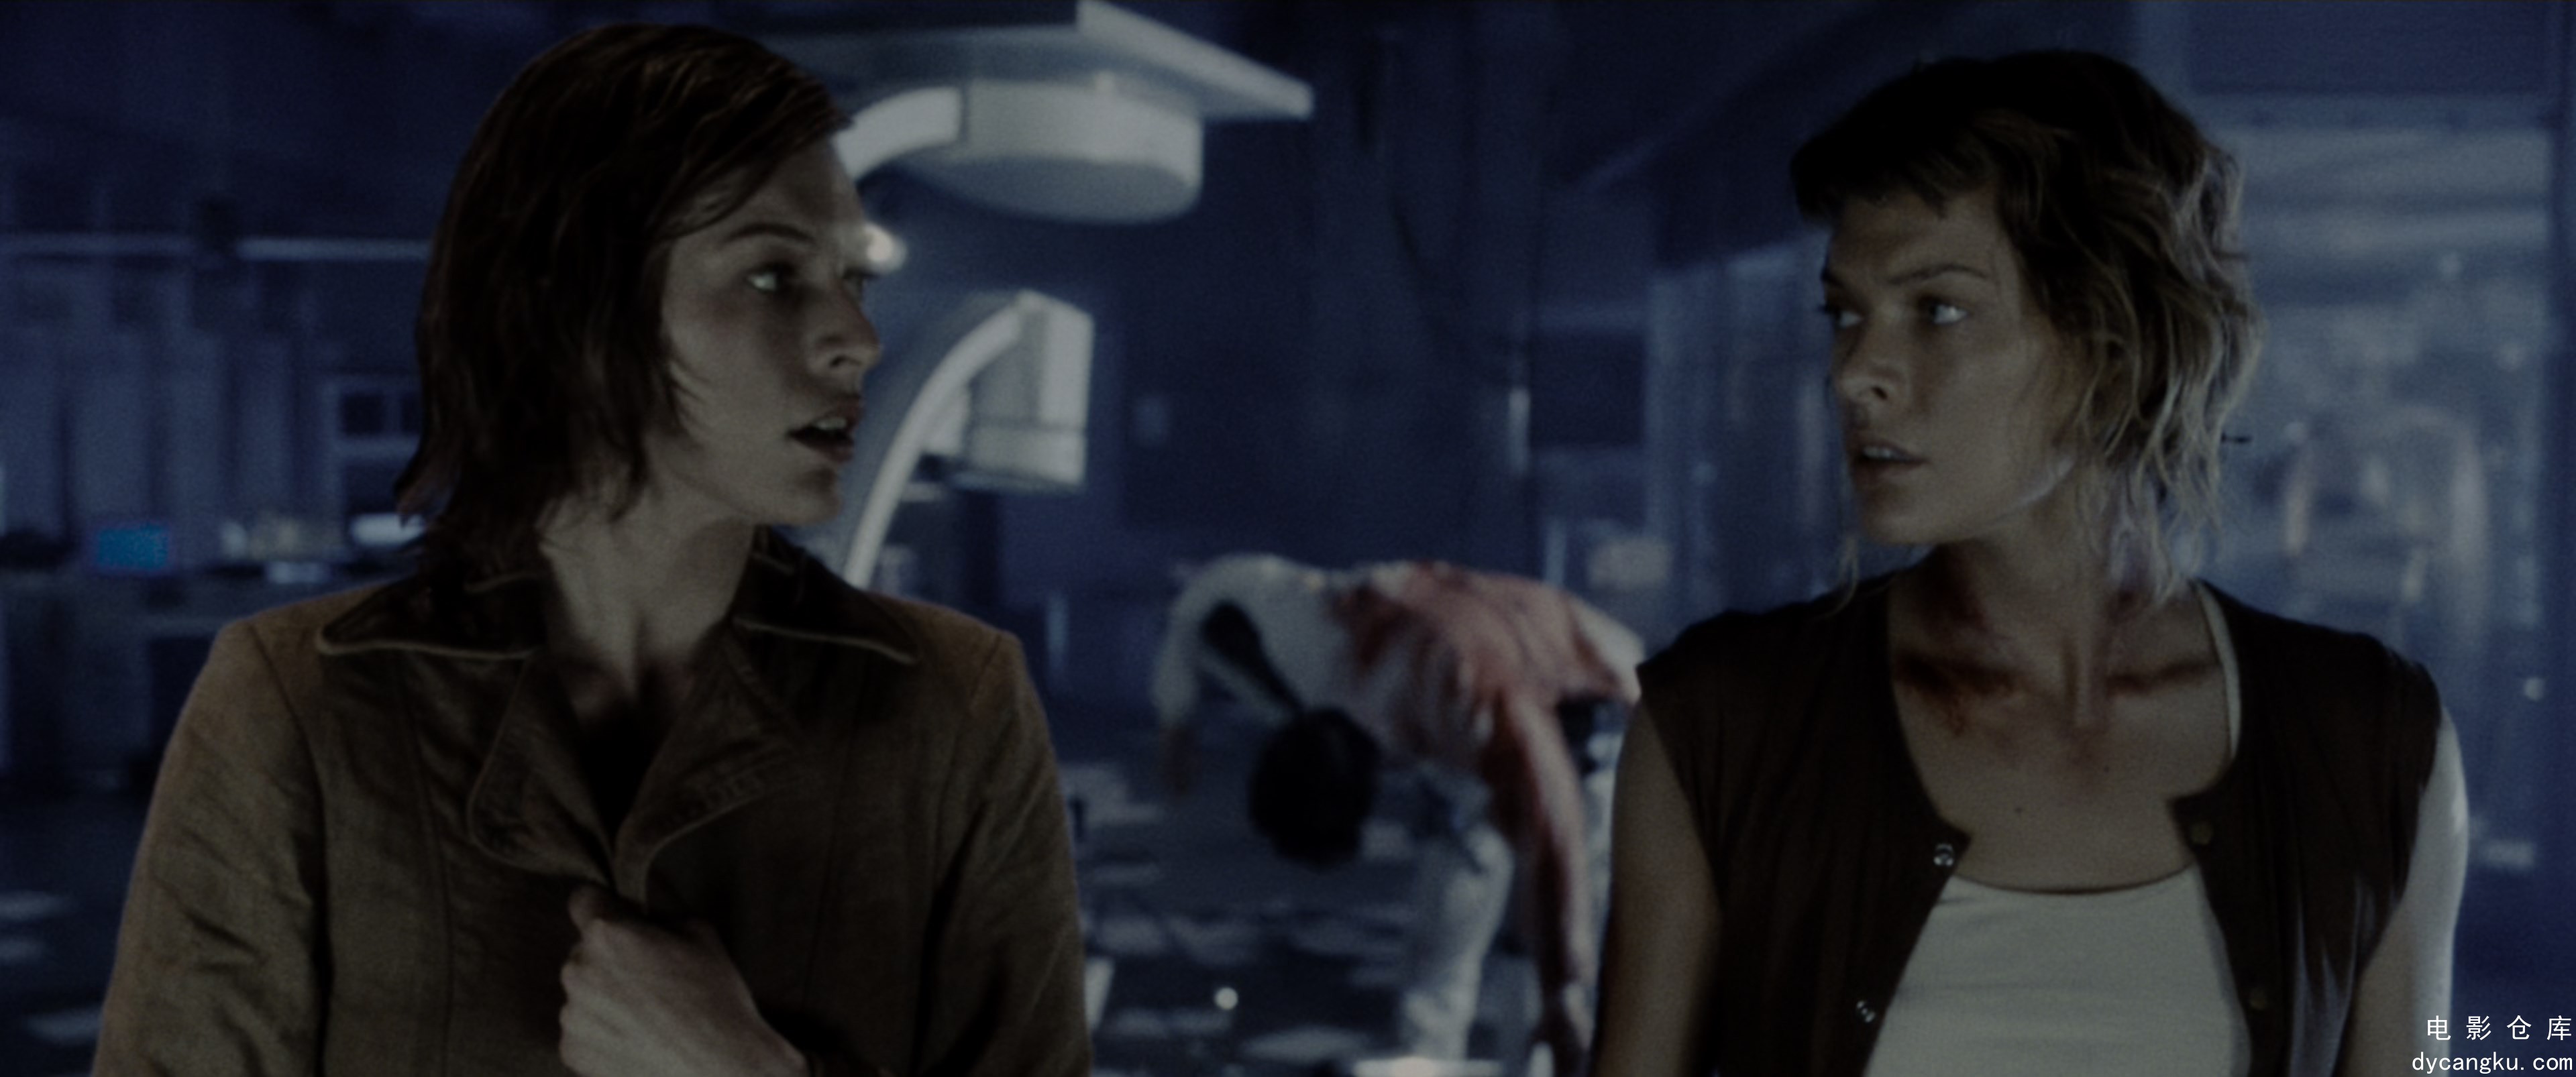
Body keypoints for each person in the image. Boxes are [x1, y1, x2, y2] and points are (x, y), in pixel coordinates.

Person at [93, 24, 1089, 1077]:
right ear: (578, 313)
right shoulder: (296, 707)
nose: (860, 338)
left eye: (853, 278)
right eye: (772, 276)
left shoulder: (956, 708)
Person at [1591, 51, 2467, 1077]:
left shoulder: (2372, 745)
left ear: (2112, 338)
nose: (1855, 373)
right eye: (1845, 313)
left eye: (1937, 309)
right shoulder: (1725, 727)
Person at [1152, 553, 1645, 1075]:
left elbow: (1555, 824)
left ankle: (1565, 1045)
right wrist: (1174, 718)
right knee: (1445, 928)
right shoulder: (1315, 636)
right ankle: (1433, 1054)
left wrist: (1564, 985)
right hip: (1473, 716)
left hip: (1594, 724)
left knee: (1553, 940)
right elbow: (1203, 597)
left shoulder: (1468, 687)